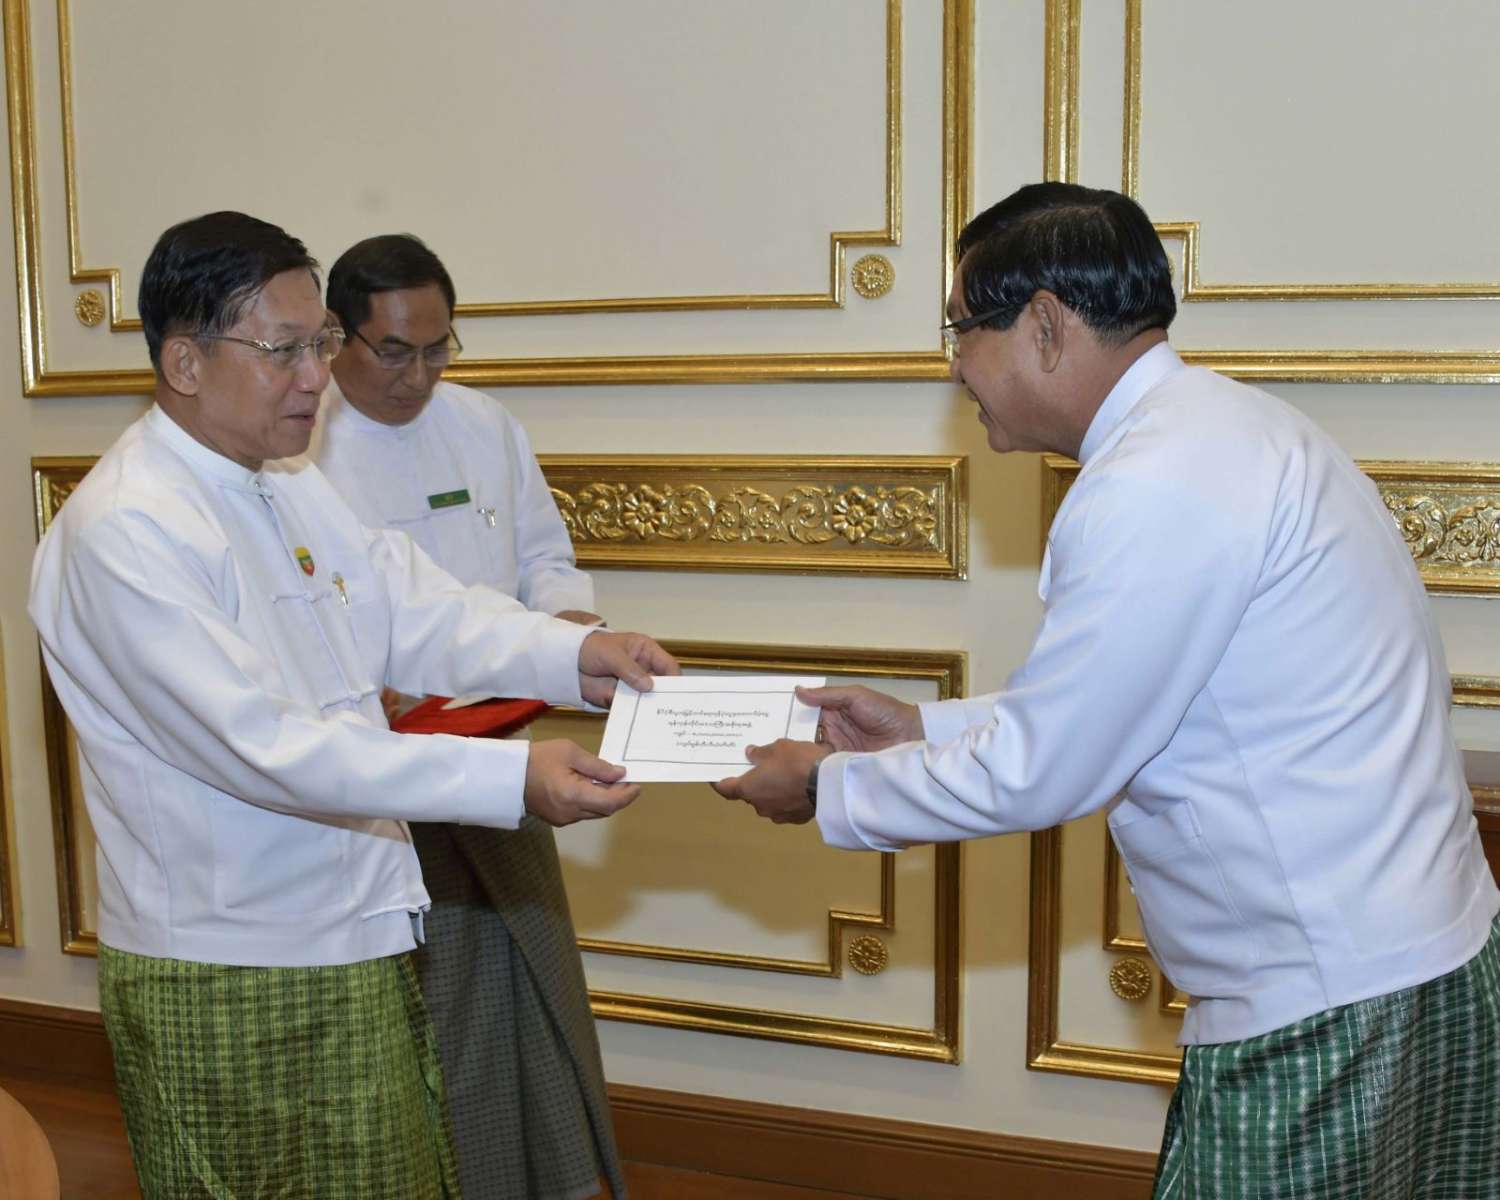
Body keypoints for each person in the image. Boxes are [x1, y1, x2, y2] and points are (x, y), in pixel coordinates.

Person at [715, 182, 1500, 1198]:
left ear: (1044, 325)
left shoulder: (1151, 481)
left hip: (1326, 1004)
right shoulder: (1234, 428)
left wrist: (827, 789)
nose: (955, 366)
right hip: (1417, 954)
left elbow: (1051, 766)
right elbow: (1121, 707)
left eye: (960, 330)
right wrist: (917, 728)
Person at [28, 211, 677, 1200]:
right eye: (283, 351)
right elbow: (270, 748)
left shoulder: (284, 480)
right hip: (231, 964)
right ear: (185, 361)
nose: (316, 378)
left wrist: (571, 653)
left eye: (320, 344)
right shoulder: (124, 531)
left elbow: (408, 605)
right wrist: (511, 777)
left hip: (354, 925)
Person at [309, 233, 621, 1200]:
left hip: (505, 748)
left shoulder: (484, 423)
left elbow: (544, 559)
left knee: (527, 976)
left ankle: (548, 1175)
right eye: (395, 352)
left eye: (438, 348)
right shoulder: (298, 446)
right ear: (336, 339)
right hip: (377, 779)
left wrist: (571, 631)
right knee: (434, 997)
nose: (420, 376)